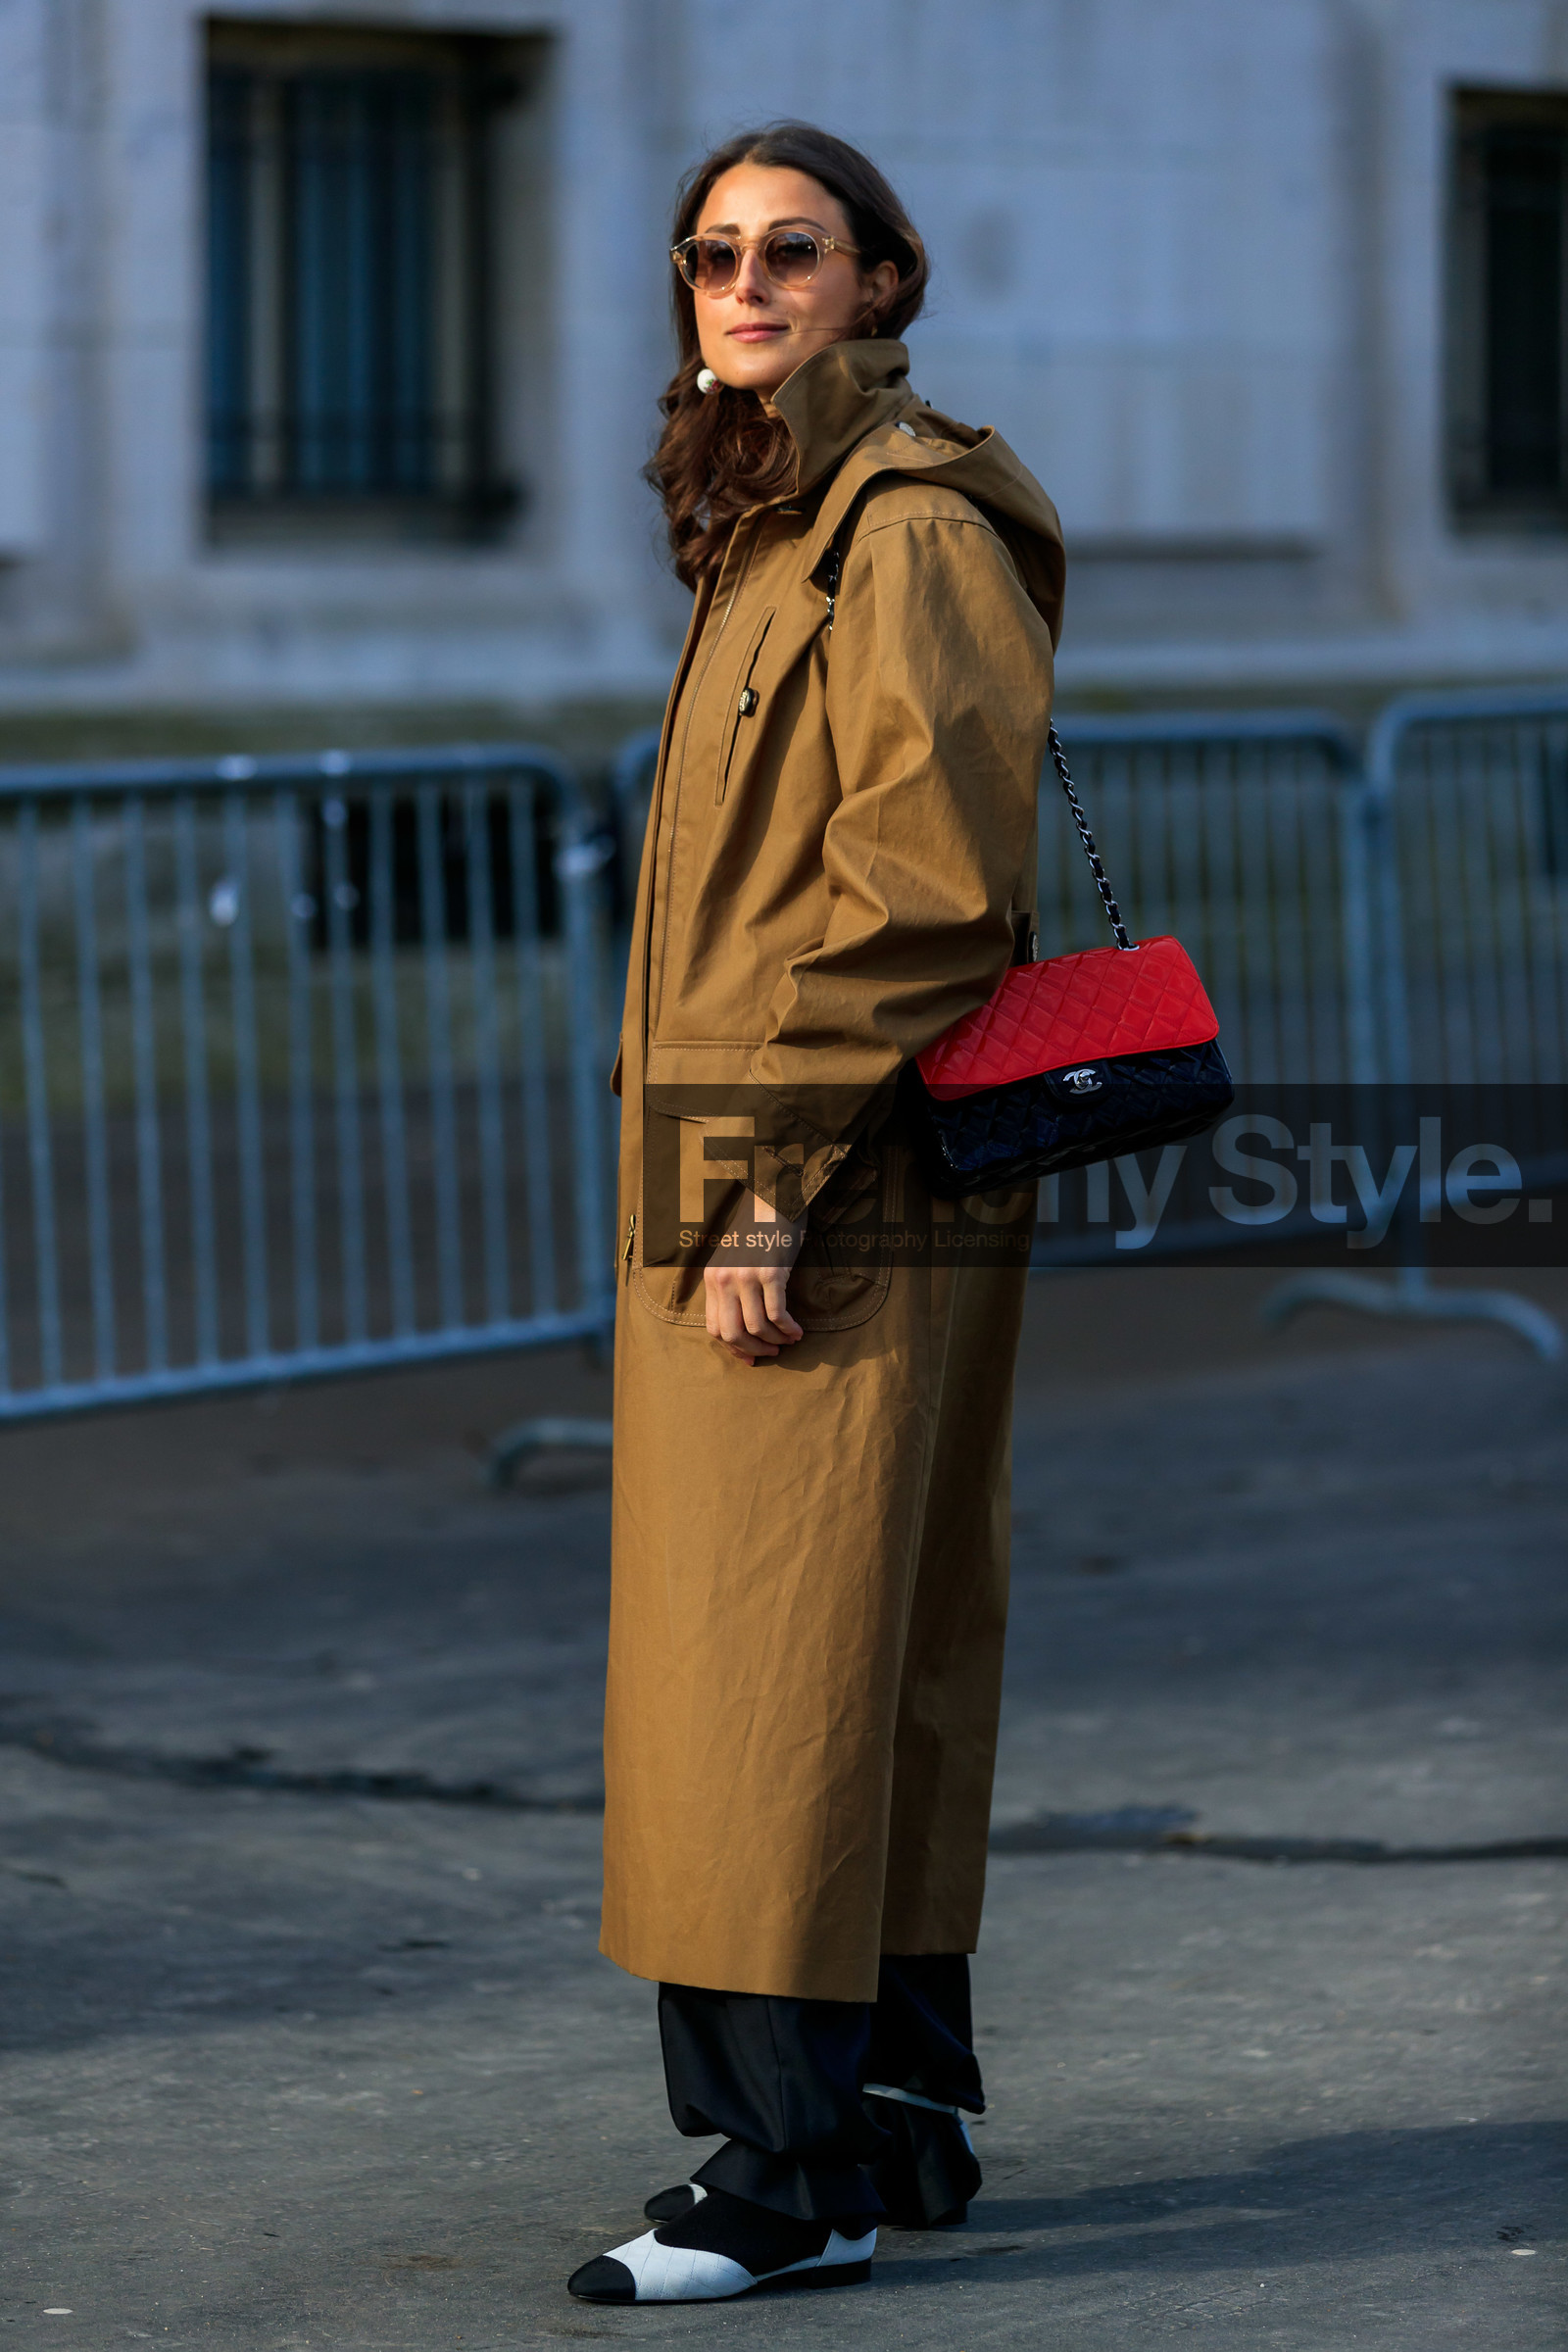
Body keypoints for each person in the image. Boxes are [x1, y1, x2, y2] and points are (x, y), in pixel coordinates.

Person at [568, 121, 1064, 2306]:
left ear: (882, 278)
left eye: (793, 249)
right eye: (713, 254)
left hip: (809, 1169)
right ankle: (899, 2117)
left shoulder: (905, 524)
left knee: (755, 1668)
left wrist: (758, 1179)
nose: (748, 282)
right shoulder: (769, 514)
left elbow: (926, 891)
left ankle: (782, 2179)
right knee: (861, 1643)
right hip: (775, 1154)